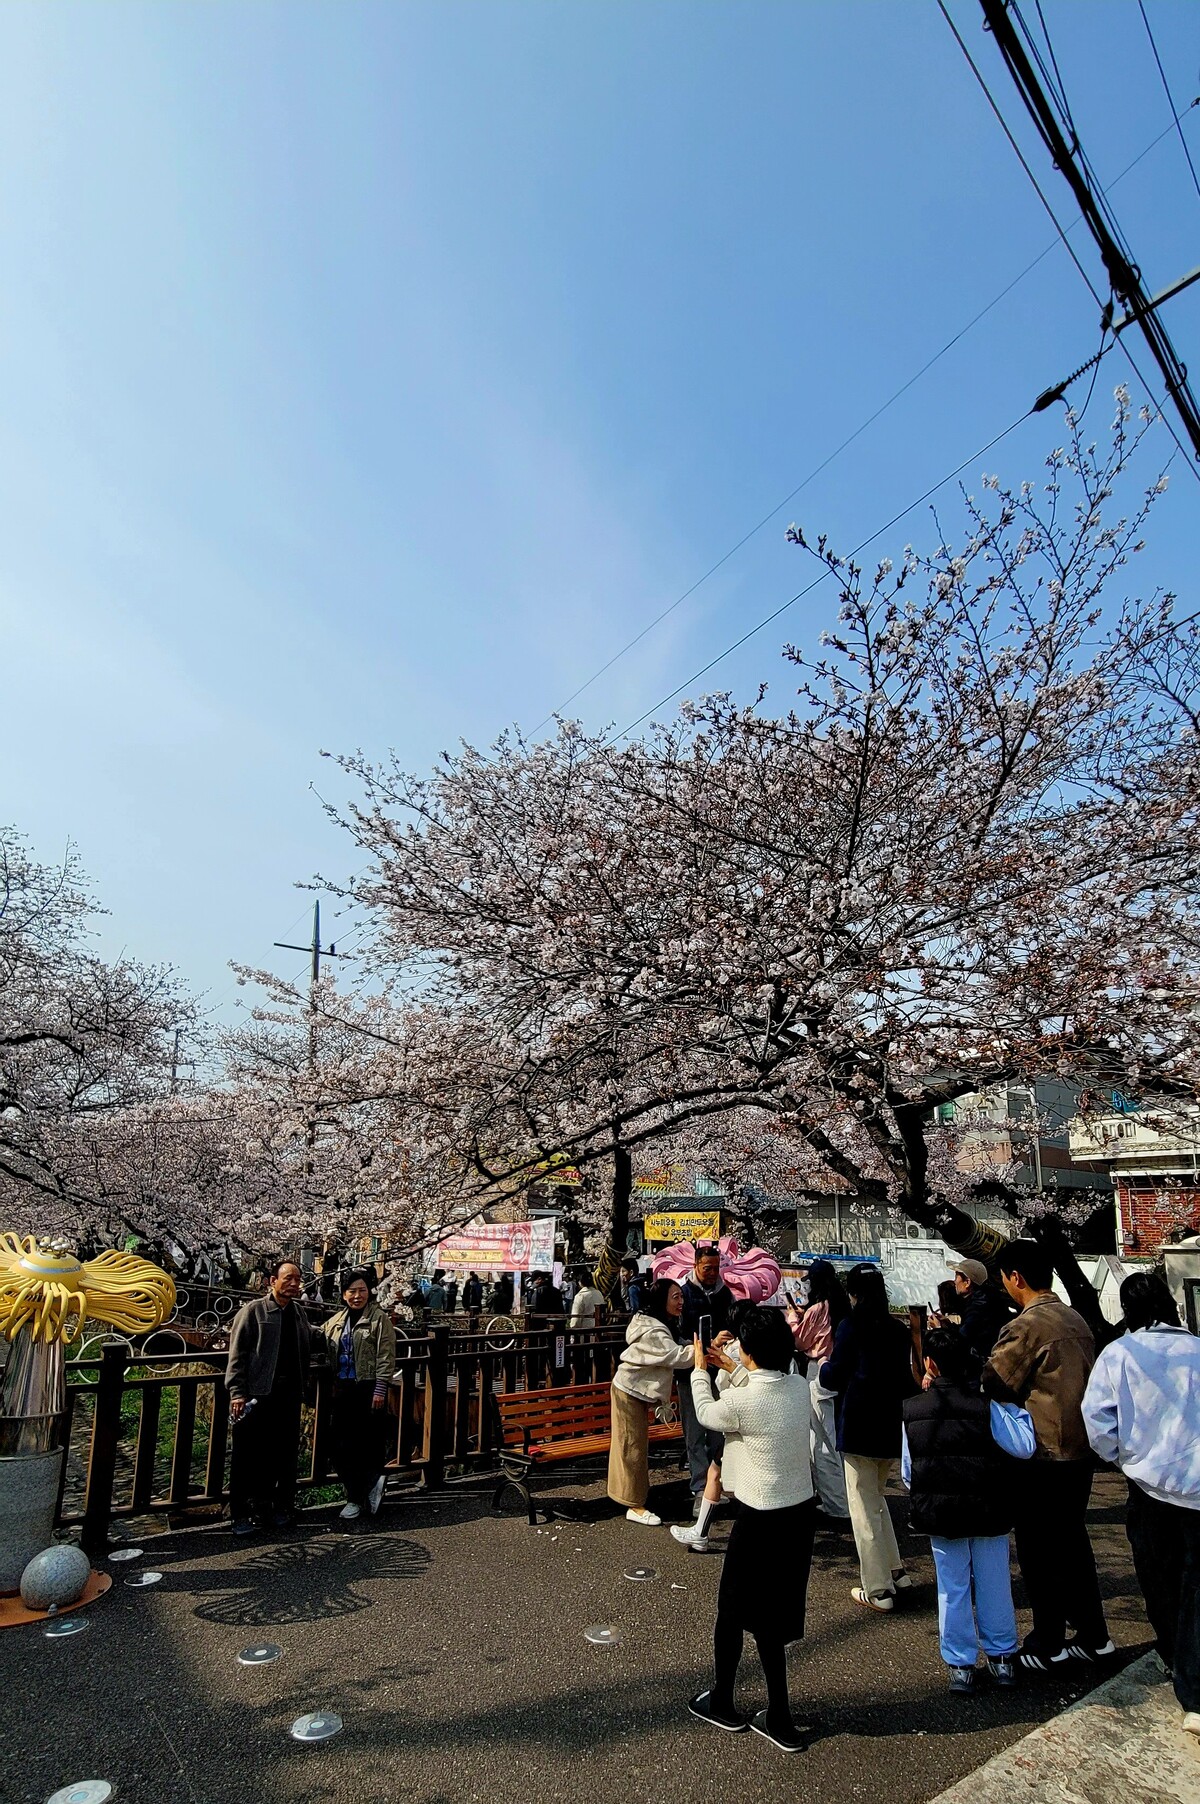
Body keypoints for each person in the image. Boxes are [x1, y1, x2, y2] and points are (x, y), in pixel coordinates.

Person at [685, 1306, 817, 1752]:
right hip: (798, 1516)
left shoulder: (743, 1402)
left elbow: (707, 1412)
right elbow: (758, 1386)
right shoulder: (799, 1387)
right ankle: (779, 1715)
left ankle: (723, 1699)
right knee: (773, 1619)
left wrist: (703, 1368)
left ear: (752, 1352)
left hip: (758, 1520)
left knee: (732, 1612)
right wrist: (736, 1366)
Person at [981, 1239, 1113, 1672]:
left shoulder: (1028, 1326)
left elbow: (996, 1381)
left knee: (1039, 1549)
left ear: (1015, 1277)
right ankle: (1094, 1634)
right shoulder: (1074, 1317)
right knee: (1073, 1543)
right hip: (1081, 1448)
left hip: (1041, 1452)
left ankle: (1047, 1640)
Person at [1082, 1271, 1200, 1738]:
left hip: (1150, 1488)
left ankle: (1177, 1662)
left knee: (1158, 1577)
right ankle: (1194, 1686)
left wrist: (1120, 1458)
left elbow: (1096, 1422)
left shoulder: (1121, 1354)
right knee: (1196, 1586)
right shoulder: (1198, 1349)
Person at [902, 1327, 1036, 1692]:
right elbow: (1024, 1446)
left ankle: (961, 1664)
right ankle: (1002, 1657)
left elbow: (907, 1471)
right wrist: (1016, 1411)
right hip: (987, 1507)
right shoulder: (989, 1407)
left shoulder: (913, 1410)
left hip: (941, 1512)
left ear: (929, 1364)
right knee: (994, 1582)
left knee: (952, 1586)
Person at [820, 1263, 917, 1611]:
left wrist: (822, 1370)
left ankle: (877, 1588)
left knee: (862, 1506)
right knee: (876, 1499)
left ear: (854, 1293)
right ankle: (896, 1571)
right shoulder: (897, 1328)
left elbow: (835, 1374)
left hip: (859, 1422)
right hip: (889, 1423)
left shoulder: (851, 1326)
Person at [226, 1258, 313, 1535]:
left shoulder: (298, 1313)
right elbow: (237, 1354)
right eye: (287, 1278)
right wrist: (237, 1392)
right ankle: (240, 1514)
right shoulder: (253, 1311)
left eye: (297, 1279)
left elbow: (314, 1339)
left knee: (283, 1455)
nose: (293, 1284)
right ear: (272, 1281)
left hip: (288, 1396)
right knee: (246, 1456)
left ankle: (277, 1508)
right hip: (256, 1396)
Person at [607, 1278, 695, 1526]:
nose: (681, 1302)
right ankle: (634, 1505)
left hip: (633, 1389)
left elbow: (677, 1346)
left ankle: (630, 1495)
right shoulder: (653, 1329)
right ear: (661, 1300)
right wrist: (702, 1351)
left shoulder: (653, 1322)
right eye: (675, 1297)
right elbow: (675, 1355)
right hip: (630, 1390)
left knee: (631, 1446)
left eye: (681, 1296)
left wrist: (702, 1346)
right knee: (631, 1447)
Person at [319, 1268, 397, 1521]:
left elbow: (386, 1355)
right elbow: (318, 1338)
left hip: (368, 1387)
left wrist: (381, 1388)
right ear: (343, 1295)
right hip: (342, 1388)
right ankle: (369, 1486)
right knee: (338, 1444)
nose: (357, 1295)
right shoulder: (336, 1321)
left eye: (362, 1290)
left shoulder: (378, 1319)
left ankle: (356, 1497)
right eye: (352, 1291)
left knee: (366, 1443)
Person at [787, 1260, 851, 1521]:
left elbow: (799, 1340)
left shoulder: (818, 1308)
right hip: (837, 1370)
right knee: (826, 1437)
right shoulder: (841, 1305)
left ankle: (838, 1505)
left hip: (818, 1371)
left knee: (824, 1441)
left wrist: (793, 1318)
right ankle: (834, 1498)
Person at [677, 1245, 735, 1508]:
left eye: (716, 1268)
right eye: (707, 1268)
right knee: (695, 1431)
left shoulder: (726, 1293)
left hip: (720, 1370)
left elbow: (734, 1324)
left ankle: (717, 1482)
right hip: (691, 1370)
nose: (712, 1273)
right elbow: (676, 1334)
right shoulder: (683, 1293)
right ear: (696, 1265)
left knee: (718, 1430)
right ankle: (700, 1486)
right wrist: (703, 1344)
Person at [934, 1258, 1013, 1372]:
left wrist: (939, 1328)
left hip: (983, 1367)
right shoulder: (986, 1299)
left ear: (967, 1282)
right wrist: (948, 1324)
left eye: (957, 1276)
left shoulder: (978, 1306)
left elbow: (962, 1339)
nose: (955, 1281)